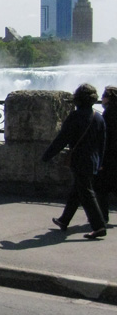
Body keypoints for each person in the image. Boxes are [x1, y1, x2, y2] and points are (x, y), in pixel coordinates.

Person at [42, 83, 108, 239]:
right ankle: (64, 220)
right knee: (77, 191)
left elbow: (61, 140)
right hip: (93, 161)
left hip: (79, 160)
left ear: (77, 99)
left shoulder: (75, 117)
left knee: (86, 193)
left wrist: (46, 156)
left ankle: (99, 226)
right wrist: (100, 163)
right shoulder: (98, 118)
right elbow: (102, 144)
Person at [95, 85, 117, 224]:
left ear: (108, 99)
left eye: (103, 96)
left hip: (109, 157)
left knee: (101, 189)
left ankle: (103, 217)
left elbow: (104, 138)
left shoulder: (108, 114)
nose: (101, 99)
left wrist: (100, 160)